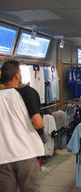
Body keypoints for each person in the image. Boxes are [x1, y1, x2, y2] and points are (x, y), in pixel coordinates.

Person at [0, 60, 45, 192]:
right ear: (16, 75)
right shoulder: (27, 93)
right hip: (26, 153)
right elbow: (38, 123)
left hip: (3, 157)